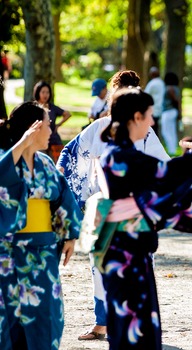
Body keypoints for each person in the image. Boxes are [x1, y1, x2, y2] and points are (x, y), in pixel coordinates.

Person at [97, 87, 192, 349]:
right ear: (136, 117)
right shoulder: (119, 157)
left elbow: (158, 193)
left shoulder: (120, 155)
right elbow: (164, 175)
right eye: (149, 115)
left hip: (129, 250)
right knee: (133, 332)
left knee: (139, 329)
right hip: (124, 253)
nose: (152, 121)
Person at [56, 70, 169, 342]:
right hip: (104, 209)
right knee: (101, 269)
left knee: (137, 269)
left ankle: (133, 327)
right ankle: (102, 322)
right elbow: (70, 159)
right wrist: (65, 192)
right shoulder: (98, 128)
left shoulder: (145, 131)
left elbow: (164, 167)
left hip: (134, 213)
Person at [0, 102, 82, 349]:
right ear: (33, 128)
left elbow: (63, 198)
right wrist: (21, 144)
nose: (51, 130)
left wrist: (70, 235)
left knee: (47, 319)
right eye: (48, 124)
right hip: (8, 255)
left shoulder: (46, 163)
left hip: (43, 254)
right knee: (7, 321)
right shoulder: (5, 157)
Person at [33, 81, 72, 163]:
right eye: (43, 92)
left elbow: (67, 114)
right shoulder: (34, 107)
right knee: (40, 162)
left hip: (54, 140)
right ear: (38, 92)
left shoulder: (52, 107)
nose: (45, 95)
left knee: (57, 163)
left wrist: (58, 125)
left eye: (47, 92)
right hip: (38, 140)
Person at [161, 72, 181, 154]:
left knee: (165, 131)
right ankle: (173, 149)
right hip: (173, 112)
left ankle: (171, 150)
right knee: (172, 131)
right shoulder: (176, 88)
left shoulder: (170, 88)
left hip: (168, 111)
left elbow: (175, 100)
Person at [144, 66, 165, 135]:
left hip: (153, 110)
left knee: (152, 130)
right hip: (160, 109)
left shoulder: (152, 83)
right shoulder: (162, 83)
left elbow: (145, 95)